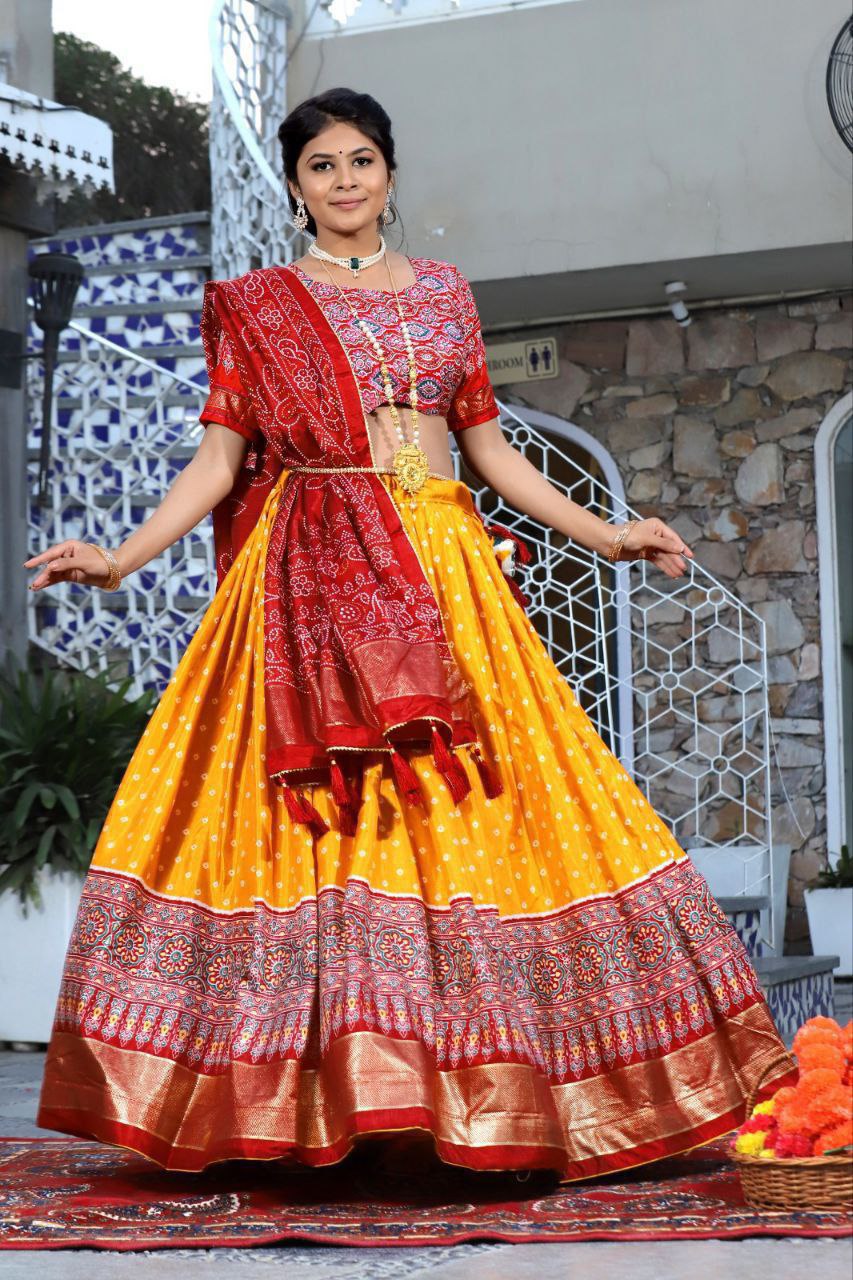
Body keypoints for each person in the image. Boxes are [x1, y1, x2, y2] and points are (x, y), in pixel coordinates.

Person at [28, 87, 795, 1181]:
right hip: (307, 582)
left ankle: (487, 1092)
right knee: (325, 828)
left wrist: (609, 530)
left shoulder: (444, 297)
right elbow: (215, 461)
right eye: (322, 167)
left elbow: (489, 449)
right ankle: (325, 1101)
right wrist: (121, 555)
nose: (344, 182)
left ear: (391, 172)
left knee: (484, 814)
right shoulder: (257, 304)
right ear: (295, 188)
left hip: (444, 573)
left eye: (361, 161)